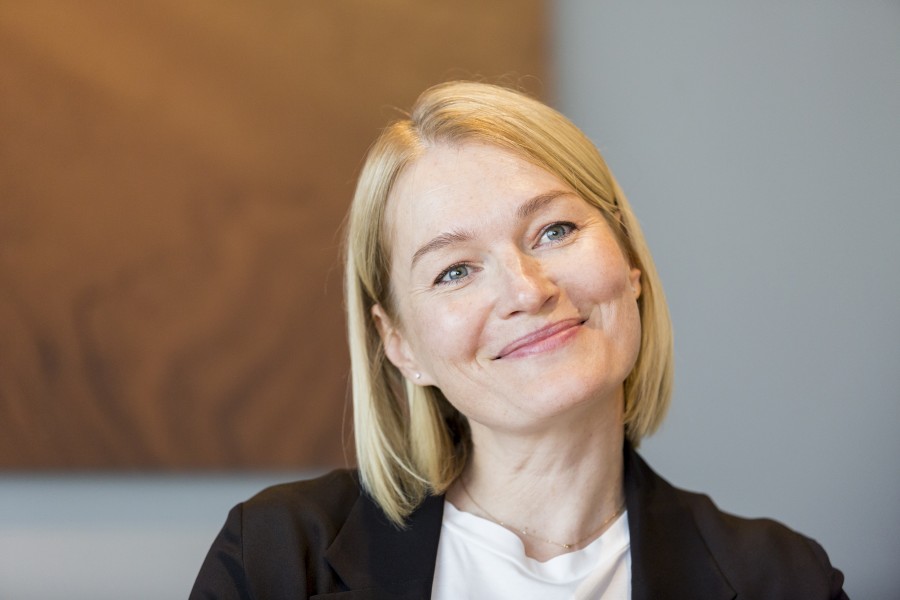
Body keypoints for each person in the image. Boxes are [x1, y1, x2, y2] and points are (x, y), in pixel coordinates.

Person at [190, 81, 848, 599]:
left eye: (555, 231)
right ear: (400, 345)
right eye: (455, 271)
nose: (528, 291)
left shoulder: (785, 579)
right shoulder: (276, 558)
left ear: (629, 262)